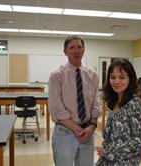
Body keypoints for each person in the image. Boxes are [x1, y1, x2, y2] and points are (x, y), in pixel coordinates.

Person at [48, 35, 100, 166]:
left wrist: (92, 126)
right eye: (72, 47)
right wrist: (77, 129)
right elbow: (56, 108)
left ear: (84, 50)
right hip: (65, 132)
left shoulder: (92, 75)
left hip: (87, 131)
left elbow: (96, 103)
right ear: (65, 51)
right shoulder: (57, 75)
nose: (76, 51)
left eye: (79, 47)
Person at [96, 58, 141, 166]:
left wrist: (108, 151)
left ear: (130, 79)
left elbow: (140, 143)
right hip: (108, 160)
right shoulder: (114, 101)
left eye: (122, 77)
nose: (116, 82)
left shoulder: (135, 104)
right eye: (112, 77)